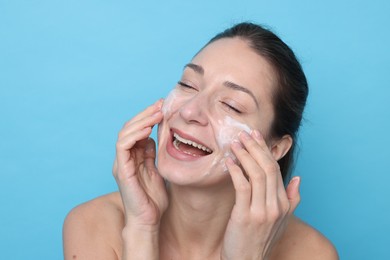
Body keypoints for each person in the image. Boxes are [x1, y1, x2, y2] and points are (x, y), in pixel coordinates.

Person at [63, 22, 338, 259]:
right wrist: (142, 229)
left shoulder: (312, 253)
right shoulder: (92, 225)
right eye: (188, 85)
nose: (189, 111)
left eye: (231, 105)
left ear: (274, 148)